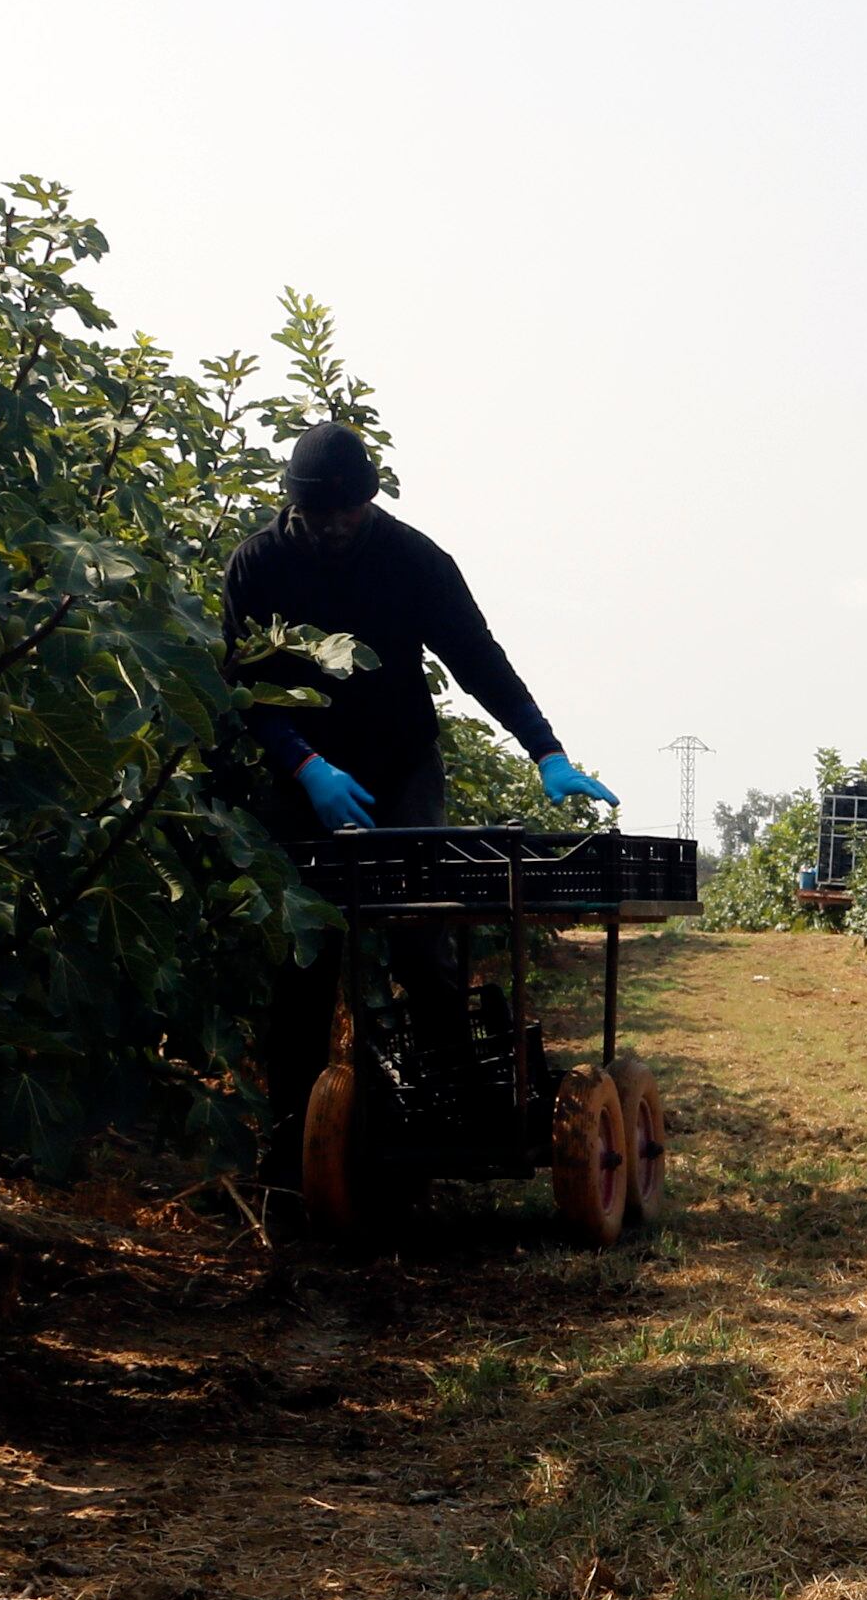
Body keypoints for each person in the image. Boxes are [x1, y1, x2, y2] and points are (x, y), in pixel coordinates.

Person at [222, 423, 618, 1233]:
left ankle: (457, 1113)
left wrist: (546, 750)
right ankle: (291, 1158)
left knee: (417, 936)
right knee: (304, 962)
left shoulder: (414, 562)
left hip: (402, 767)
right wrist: (305, 767)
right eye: (317, 515)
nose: (333, 527)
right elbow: (247, 688)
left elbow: (478, 658)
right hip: (307, 778)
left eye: (348, 513)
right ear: (293, 507)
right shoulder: (259, 565)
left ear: (369, 503)